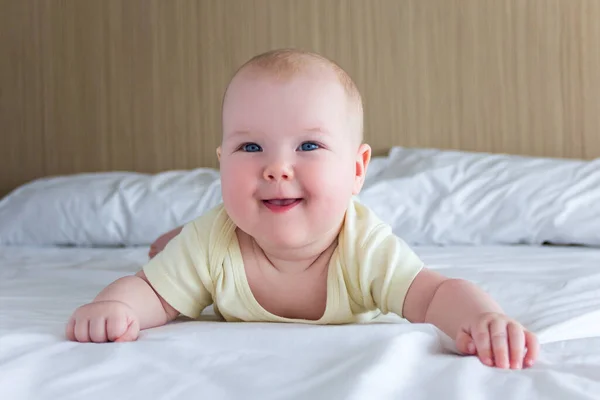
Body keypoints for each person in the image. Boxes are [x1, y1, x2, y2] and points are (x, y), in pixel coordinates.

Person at [66, 48, 539, 370]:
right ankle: (173, 242)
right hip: (199, 242)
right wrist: (114, 305)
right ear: (221, 161)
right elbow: (151, 291)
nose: (276, 168)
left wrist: (481, 321)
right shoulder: (215, 240)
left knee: (182, 250)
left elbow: (435, 295)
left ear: (357, 170)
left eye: (309, 145)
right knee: (176, 257)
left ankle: (172, 240)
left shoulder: (363, 246)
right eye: (250, 147)